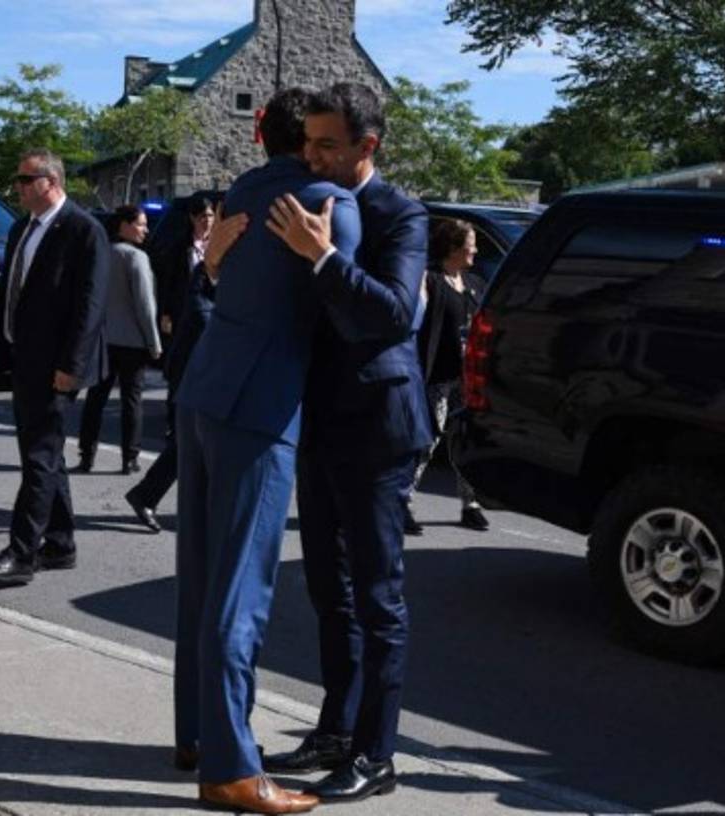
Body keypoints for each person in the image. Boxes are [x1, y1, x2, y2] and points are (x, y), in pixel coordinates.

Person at [172, 87, 360, 815]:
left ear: (260, 137)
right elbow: (351, 312)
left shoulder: (244, 190)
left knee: (200, 577)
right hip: (260, 407)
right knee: (240, 594)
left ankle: (195, 733)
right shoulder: (325, 205)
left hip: (204, 391)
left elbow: (228, 276)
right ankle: (229, 769)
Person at [260, 82, 431, 803]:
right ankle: (335, 728)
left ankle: (376, 754)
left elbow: (391, 316)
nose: (313, 155)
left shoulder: (401, 214)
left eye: (329, 144)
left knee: (377, 596)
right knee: (329, 591)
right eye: (308, 142)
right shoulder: (306, 198)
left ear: (369, 146)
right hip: (320, 422)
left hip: (379, 427)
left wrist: (325, 258)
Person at [0, 148, 109, 585]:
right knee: (46, 455)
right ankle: (61, 543)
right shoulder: (21, 230)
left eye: (26, 180)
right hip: (23, 357)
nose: (19, 187)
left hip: (57, 366)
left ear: (50, 181)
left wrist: (72, 365)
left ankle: (22, 552)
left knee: (38, 457)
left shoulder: (84, 231)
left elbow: (91, 305)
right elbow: (9, 293)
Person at [405, 218, 488, 533]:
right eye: (470, 244)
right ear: (453, 247)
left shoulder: (475, 284)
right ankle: (403, 501)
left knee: (467, 441)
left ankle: (471, 504)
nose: (475, 250)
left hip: (469, 379)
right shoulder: (430, 280)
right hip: (437, 377)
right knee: (428, 442)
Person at [123, 261, 218, 533]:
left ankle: (147, 495)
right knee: (190, 443)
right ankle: (148, 496)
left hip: (204, 375)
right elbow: (200, 315)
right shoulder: (205, 273)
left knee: (193, 444)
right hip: (190, 375)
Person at [76, 205, 161, 475]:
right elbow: (145, 305)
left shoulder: (101, 254)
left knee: (95, 398)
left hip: (102, 339)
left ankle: (86, 455)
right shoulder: (136, 257)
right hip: (132, 341)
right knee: (131, 401)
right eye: (140, 224)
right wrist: (154, 342)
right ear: (124, 225)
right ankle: (130, 457)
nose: (145, 229)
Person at [156, 193, 214, 345]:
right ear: (193, 218)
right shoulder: (180, 248)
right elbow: (169, 281)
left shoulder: (217, 245)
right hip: (185, 311)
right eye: (202, 216)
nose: (207, 221)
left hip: (211, 310)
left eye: (210, 216)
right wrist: (166, 313)